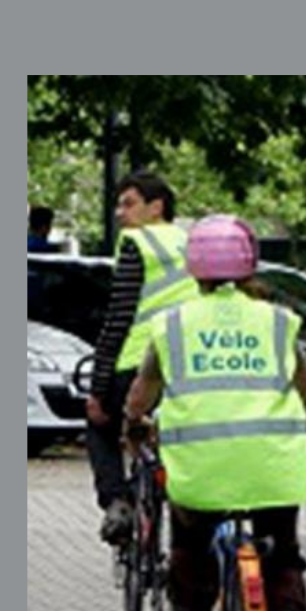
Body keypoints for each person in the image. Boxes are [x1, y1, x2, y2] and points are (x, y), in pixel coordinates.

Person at [124, 216, 306, 611]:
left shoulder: (172, 324)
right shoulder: (277, 321)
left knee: (190, 544)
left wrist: (133, 427)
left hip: (201, 468)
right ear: (249, 265)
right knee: (283, 553)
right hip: (273, 467)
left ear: (195, 269)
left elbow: (143, 391)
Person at [89, 172, 199, 544]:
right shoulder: (194, 242)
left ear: (157, 207)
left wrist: (98, 387)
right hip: (187, 367)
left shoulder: (136, 242)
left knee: (100, 426)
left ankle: (117, 501)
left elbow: (119, 316)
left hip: (137, 363)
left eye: (129, 203)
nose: (120, 213)